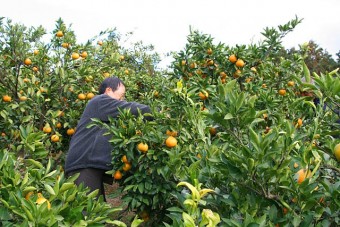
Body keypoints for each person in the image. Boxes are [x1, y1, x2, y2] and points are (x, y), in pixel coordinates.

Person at [65, 76, 152, 201]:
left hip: (88, 165)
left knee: (97, 211)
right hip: (84, 165)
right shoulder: (100, 101)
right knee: (88, 213)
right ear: (109, 90)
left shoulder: (105, 112)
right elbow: (131, 108)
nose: (122, 100)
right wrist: (156, 112)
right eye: (120, 96)